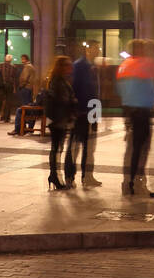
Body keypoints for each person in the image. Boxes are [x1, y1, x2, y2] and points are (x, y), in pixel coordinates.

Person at [116, 38, 154, 197]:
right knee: (142, 149)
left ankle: (127, 183)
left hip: (129, 111)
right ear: (139, 50)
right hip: (141, 112)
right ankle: (137, 184)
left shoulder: (124, 65)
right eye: (143, 48)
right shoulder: (142, 64)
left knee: (131, 149)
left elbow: (120, 90)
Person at [45, 55, 78, 190]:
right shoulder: (57, 81)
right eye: (67, 65)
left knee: (58, 148)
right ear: (61, 66)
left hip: (60, 119)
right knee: (56, 149)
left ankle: (54, 176)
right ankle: (54, 176)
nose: (70, 67)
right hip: (58, 120)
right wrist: (72, 101)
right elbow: (60, 100)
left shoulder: (62, 80)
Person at [71, 50, 101, 187]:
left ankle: (87, 175)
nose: (99, 50)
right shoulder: (80, 65)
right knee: (77, 146)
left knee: (89, 146)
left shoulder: (91, 66)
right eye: (96, 48)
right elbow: (80, 89)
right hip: (82, 111)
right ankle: (71, 176)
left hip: (91, 109)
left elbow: (94, 92)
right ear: (89, 49)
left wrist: (96, 115)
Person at [9, 56, 37, 134]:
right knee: (28, 107)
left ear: (25, 59)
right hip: (29, 88)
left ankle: (21, 128)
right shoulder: (31, 67)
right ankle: (28, 126)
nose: (21, 61)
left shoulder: (27, 67)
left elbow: (24, 78)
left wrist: (21, 86)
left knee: (25, 108)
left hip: (26, 88)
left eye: (22, 59)